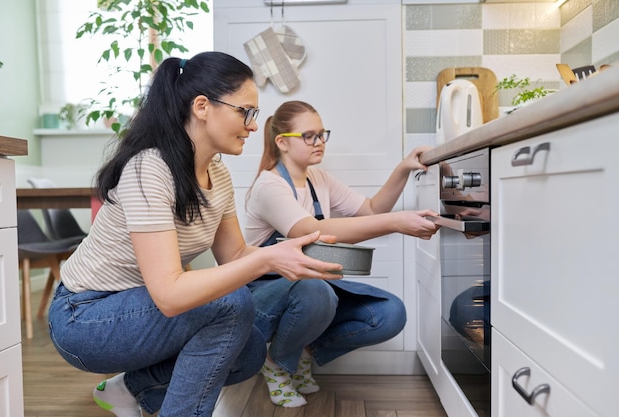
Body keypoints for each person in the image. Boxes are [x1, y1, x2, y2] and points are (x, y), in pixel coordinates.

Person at [47, 53, 345, 417]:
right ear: (202, 106)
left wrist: (288, 255)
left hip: (141, 312)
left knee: (248, 350)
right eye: (245, 112)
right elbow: (170, 295)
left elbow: (234, 254)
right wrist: (267, 259)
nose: (253, 126)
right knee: (232, 303)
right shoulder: (149, 169)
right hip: (85, 316)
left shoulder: (216, 174)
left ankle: (129, 389)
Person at [244, 100, 440, 407]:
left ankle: (301, 355)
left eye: (322, 134)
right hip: (263, 294)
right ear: (282, 142)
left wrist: (403, 168)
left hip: (311, 284)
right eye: (309, 136)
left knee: (389, 313)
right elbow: (310, 230)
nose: (320, 142)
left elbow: (371, 210)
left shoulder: (318, 179)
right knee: (316, 290)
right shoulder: (269, 186)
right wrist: (396, 224)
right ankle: (278, 363)